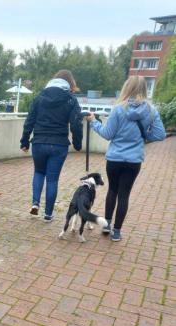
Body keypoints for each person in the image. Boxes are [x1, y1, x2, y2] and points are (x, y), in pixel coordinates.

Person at [87, 76, 165, 242]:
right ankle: (117, 232)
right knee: (124, 195)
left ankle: (107, 225)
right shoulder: (151, 111)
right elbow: (160, 134)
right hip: (133, 160)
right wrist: (143, 136)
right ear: (144, 89)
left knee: (112, 190)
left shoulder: (118, 109)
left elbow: (107, 134)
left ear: (127, 88)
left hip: (114, 158)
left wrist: (93, 122)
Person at [20, 69, 83, 221]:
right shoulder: (71, 99)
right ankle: (48, 214)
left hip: (39, 142)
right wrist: (77, 143)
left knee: (39, 172)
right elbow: (76, 124)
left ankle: (35, 203)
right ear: (70, 83)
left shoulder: (39, 97)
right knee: (52, 179)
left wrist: (24, 141)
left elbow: (30, 120)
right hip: (59, 144)